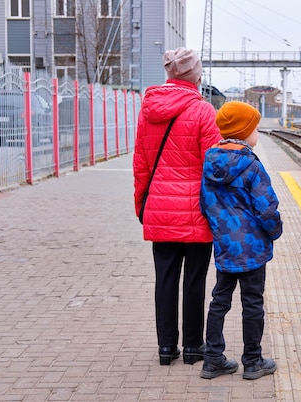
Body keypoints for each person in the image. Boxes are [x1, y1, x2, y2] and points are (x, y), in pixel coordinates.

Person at [133, 47, 222, 366]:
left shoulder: (148, 110)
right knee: (195, 280)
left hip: (159, 207)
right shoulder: (204, 112)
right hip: (197, 211)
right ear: (195, 76)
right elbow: (214, 167)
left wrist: (142, 205)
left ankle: (166, 348)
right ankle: (194, 348)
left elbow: (141, 163)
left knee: (165, 279)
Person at [199, 101, 283, 380]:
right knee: (253, 303)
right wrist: (275, 231)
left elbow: (204, 205)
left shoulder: (210, 161)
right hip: (253, 249)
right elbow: (267, 208)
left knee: (219, 301)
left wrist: (220, 231)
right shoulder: (251, 165)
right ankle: (253, 361)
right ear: (245, 132)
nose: (257, 133)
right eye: (255, 128)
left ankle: (212, 359)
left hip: (225, 245)